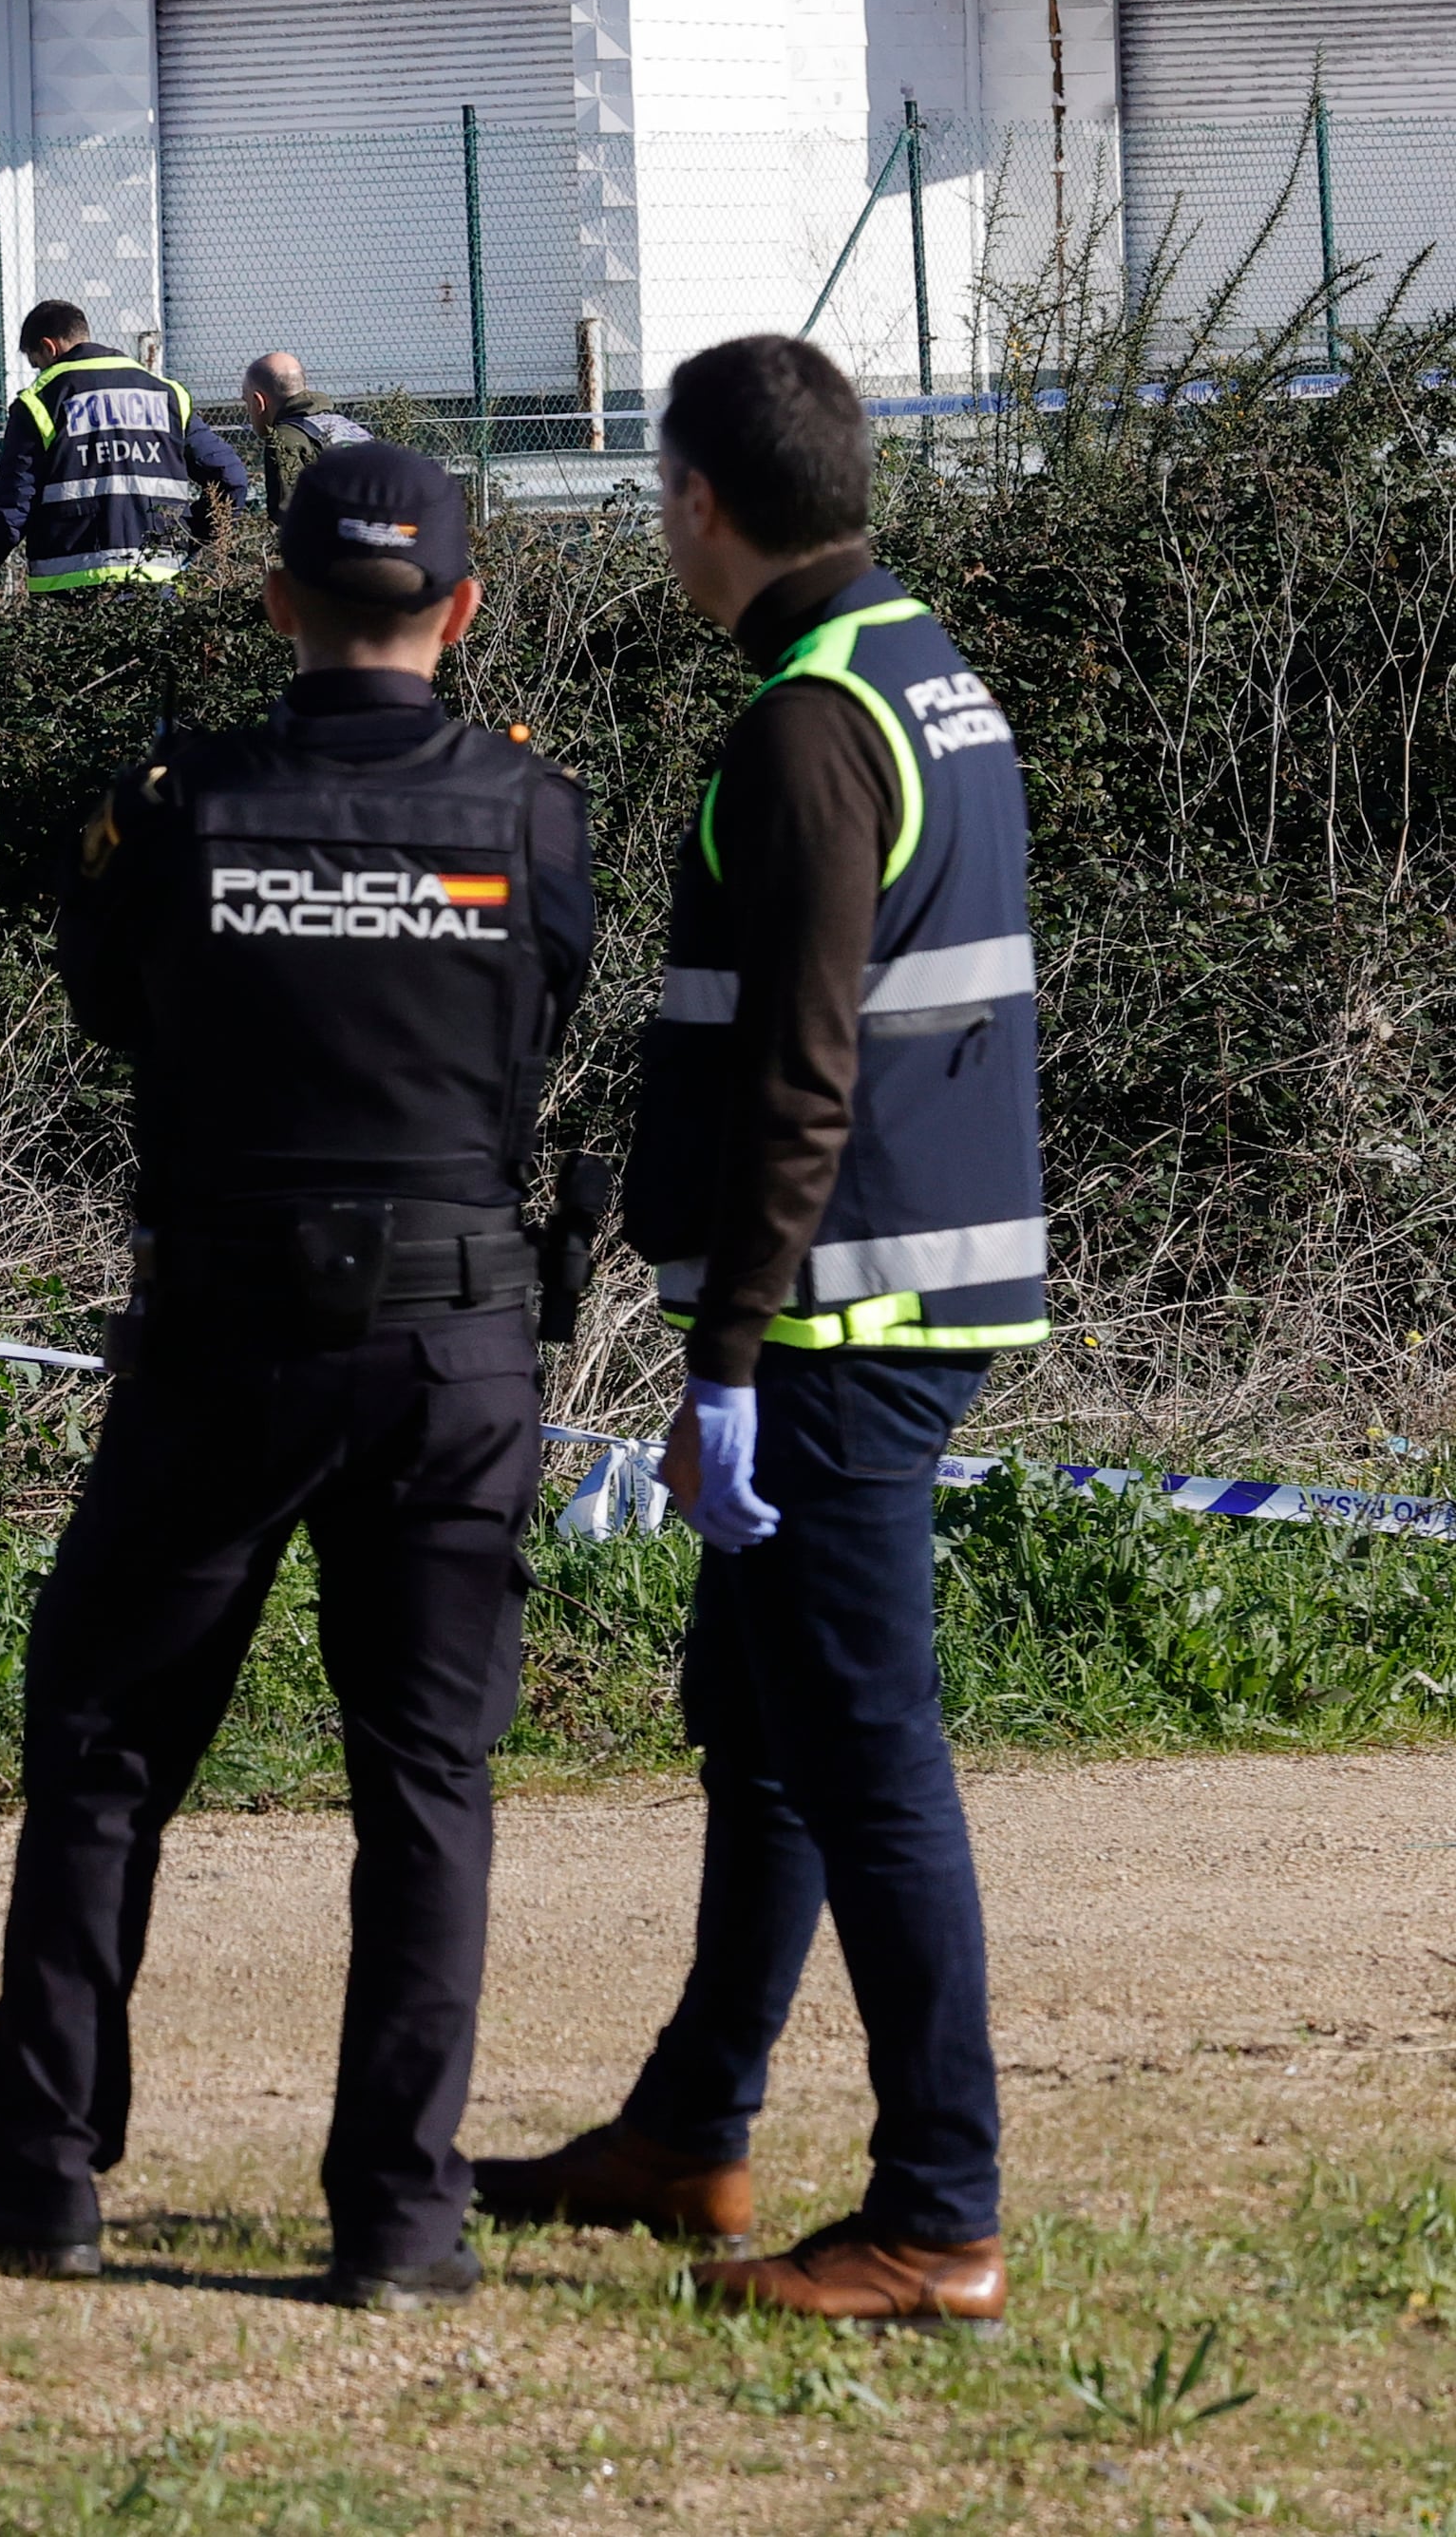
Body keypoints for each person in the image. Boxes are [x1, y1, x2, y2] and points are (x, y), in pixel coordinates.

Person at [0, 439, 593, 2309]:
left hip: (223, 1340)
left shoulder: (182, 800)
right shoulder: (529, 810)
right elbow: (550, 1007)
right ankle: (399, 2216)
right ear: (462, 606)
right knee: (425, 1781)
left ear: (272, 601)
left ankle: (37, 2164)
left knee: (106, 1748)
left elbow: (108, 999)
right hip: (453, 1340)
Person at [473, 334, 1043, 2330]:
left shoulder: (805, 725)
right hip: (891, 1282)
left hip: (837, 1313)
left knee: (867, 1754)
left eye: (656, 494)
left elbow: (800, 1070)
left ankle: (936, 2214)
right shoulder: (918, 663)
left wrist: (720, 1350)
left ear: (697, 502)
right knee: (771, 1726)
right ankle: (691, 2123)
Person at [0, 302, 250, 598]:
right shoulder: (167, 393)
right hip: (158, 582)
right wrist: (189, 537)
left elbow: (9, 514)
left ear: (49, 347)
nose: (38, 374)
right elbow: (230, 477)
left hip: (71, 590)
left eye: (36, 364)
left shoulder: (39, 403)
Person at [243, 351, 375, 515]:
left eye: (246, 402)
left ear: (258, 403)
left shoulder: (283, 438)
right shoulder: (346, 425)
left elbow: (289, 514)